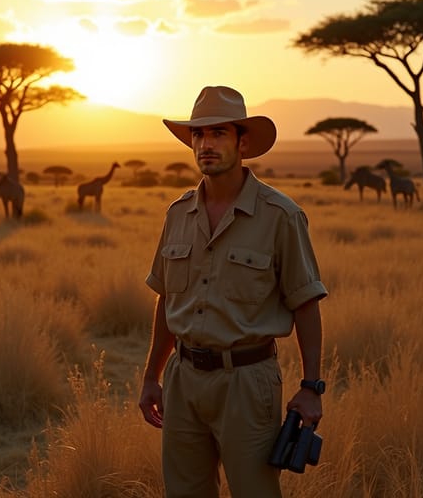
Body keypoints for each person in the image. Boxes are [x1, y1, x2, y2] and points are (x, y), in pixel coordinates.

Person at [138, 86, 327, 498]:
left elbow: (305, 303)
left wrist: (312, 387)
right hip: (183, 380)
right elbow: (167, 300)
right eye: (198, 136)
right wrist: (152, 375)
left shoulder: (281, 216)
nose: (206, 144)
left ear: (243, 143)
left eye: (218, 133)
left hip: (246, 381)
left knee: (255, 492)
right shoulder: (178, 214)